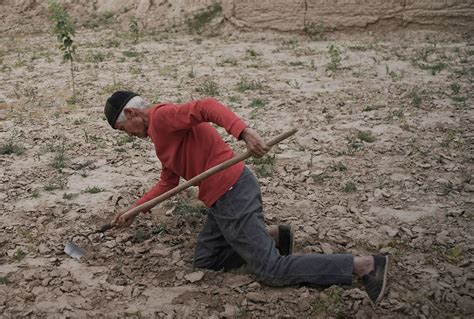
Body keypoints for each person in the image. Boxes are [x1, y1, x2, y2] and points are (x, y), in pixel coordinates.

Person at [104, 91, 389, 305]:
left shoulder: (162, 117)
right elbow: (169, 180)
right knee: (206, 259)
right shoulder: (159, 134)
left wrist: (243, 132)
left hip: (231, 192)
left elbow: (205, 106)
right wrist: (135, 209)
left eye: (123, 131)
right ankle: (274, 238)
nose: (129, 136)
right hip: (218, 200)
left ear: (131, 114)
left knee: (271, 271)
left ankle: (364, 265)